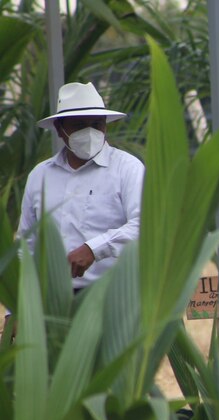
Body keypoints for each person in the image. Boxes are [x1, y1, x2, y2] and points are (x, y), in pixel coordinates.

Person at [17, 81, 144, 291]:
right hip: (52, 299)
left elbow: (143, 224)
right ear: (59, 129)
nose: (90, 132)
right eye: (79, 125)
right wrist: (16, 307)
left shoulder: (127, 169)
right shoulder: (40, 175)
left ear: (105, 124)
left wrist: (93, 249)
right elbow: (26, 245)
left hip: (111, 296)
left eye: (97, 124)